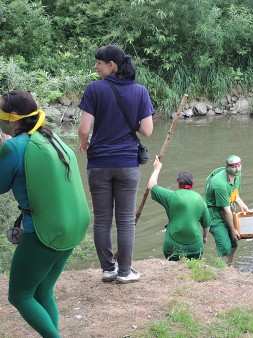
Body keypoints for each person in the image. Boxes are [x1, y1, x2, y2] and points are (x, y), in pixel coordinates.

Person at [1, 90, 89, 337]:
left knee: (19, 295)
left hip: (43, 231)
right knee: (42, 291)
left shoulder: (15, 147)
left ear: (13, 117)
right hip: (73, 226)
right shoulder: (51, 138)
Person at [78, 45, 154, 284]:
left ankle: (108, 270)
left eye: (98, 62)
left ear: (112, 65)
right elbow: (147, 131)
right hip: (127, 164)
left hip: (99, 163)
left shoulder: (94, 89)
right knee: (125, 220)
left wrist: (85, 143)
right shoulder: (140, 91)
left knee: (101, 219)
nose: (95, 66)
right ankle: (125, 272)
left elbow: (83, 129)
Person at [148, 156, 211, 260]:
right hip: (195, 246)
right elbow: (207, 225)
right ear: (192, 184)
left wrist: (157, 168)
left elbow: (151, 185)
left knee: (173, 267)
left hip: (172, 246)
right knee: (193, 270)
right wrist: (204, 238)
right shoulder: (200, 199)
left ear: (178, 184)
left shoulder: (170, 196)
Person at [204, 155, 250, 265]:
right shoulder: (219, 184)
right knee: (225, 246)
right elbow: (227, 210)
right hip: (214, 214)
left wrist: (241, 204)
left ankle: (228, 267)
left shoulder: (237, 175)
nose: (237, 169)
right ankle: (220, 270)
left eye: (239, 166)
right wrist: (233, 230)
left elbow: (234, 194)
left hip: (226, 210)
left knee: (234, 244)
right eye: (234, 167)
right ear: (227, 168)